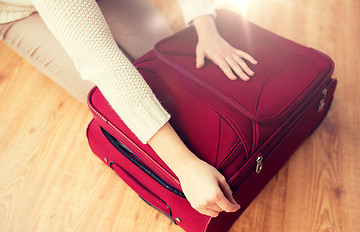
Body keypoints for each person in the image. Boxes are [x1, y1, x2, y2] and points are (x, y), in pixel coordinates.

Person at [0, 0, 257, 218]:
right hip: (19, 11)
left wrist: (207, 29)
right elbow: (100, 59)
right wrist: (185, 166)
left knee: (166, 70)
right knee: (108, 101)